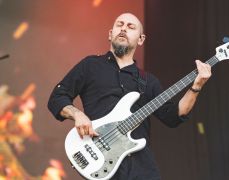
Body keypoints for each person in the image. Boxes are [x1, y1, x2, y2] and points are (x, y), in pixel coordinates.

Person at [48, 13, 211, 180]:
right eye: (120, 24)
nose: (124, 28)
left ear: (141, 39)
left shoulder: (148, 81)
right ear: (110, 33)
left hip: (141, 169)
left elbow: (174, 116)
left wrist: (196, 87)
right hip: (102, 163)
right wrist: (77, 114)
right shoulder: (90, 66)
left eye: (131, 27)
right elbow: (57, 97)